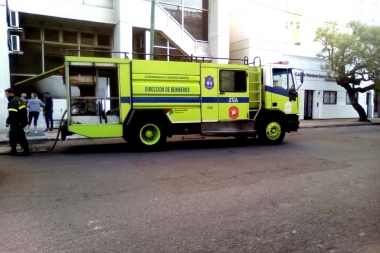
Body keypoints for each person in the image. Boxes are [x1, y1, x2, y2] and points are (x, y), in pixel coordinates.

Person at [5, 88, 30, 156]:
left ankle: (25, 151)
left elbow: (12, 114)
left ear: (11, 93)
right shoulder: (19, 100)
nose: (6, 96)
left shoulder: (13, 101)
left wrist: (8, 122)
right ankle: (14, 150)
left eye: (7, 94)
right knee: (14, 136)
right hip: (20, 121)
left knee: (20, 137)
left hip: (16, 122)